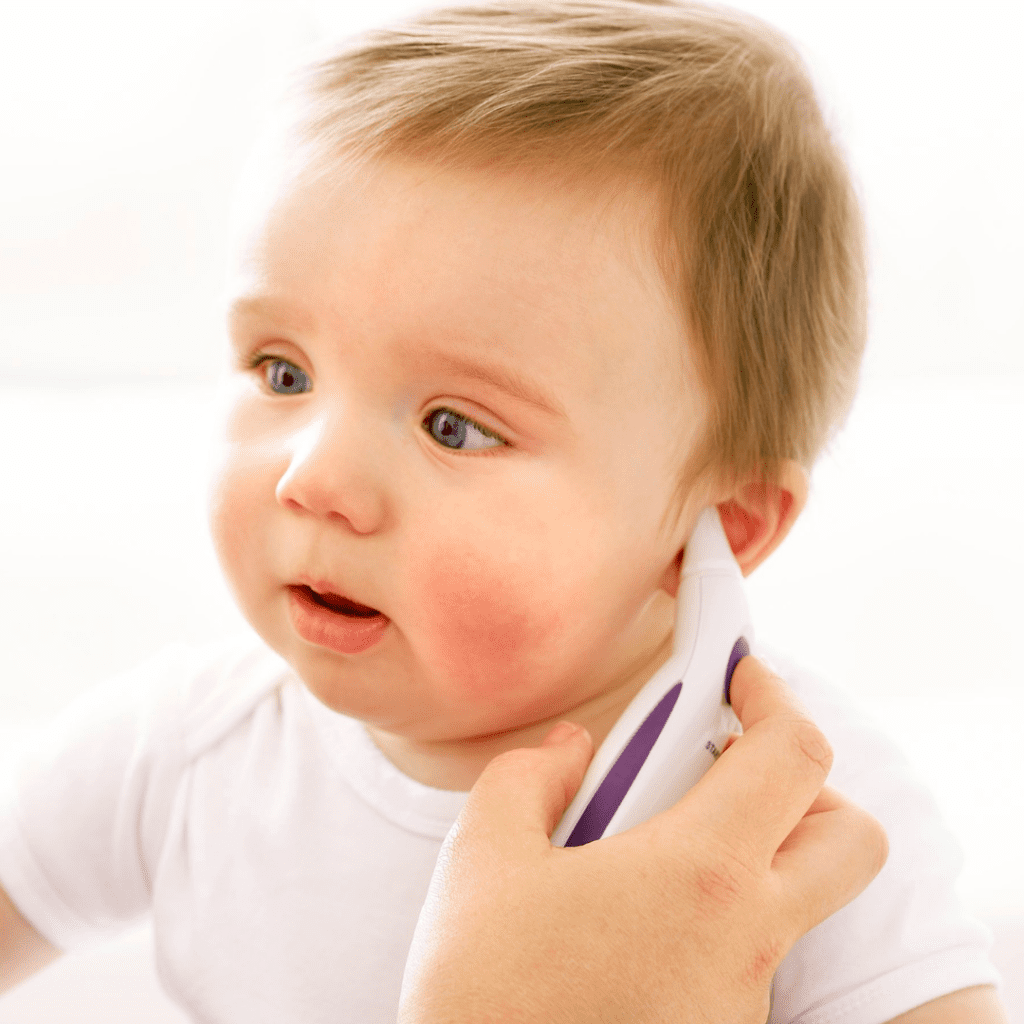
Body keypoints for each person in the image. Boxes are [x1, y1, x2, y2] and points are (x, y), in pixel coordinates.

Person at [0, 1, 1008, 1021]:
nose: (313, 478)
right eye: (281, 369)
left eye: (454, 427)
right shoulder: (185, 750)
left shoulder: (792, 833)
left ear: (720, 527)